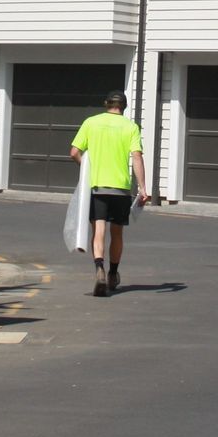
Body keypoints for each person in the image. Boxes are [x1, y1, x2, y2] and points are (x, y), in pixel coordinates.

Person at [69, 89, 150, 297]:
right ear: (124, 106)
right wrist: (142, 187)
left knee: (99, 230)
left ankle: (99, 269)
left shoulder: (91, 122)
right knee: (117, 233)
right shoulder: (130, 127)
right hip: (120, 189)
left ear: (106, 104)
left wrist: (86, 171)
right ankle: (113, 273)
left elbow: (74, 152)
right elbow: (137, 157)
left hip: (97, 187)